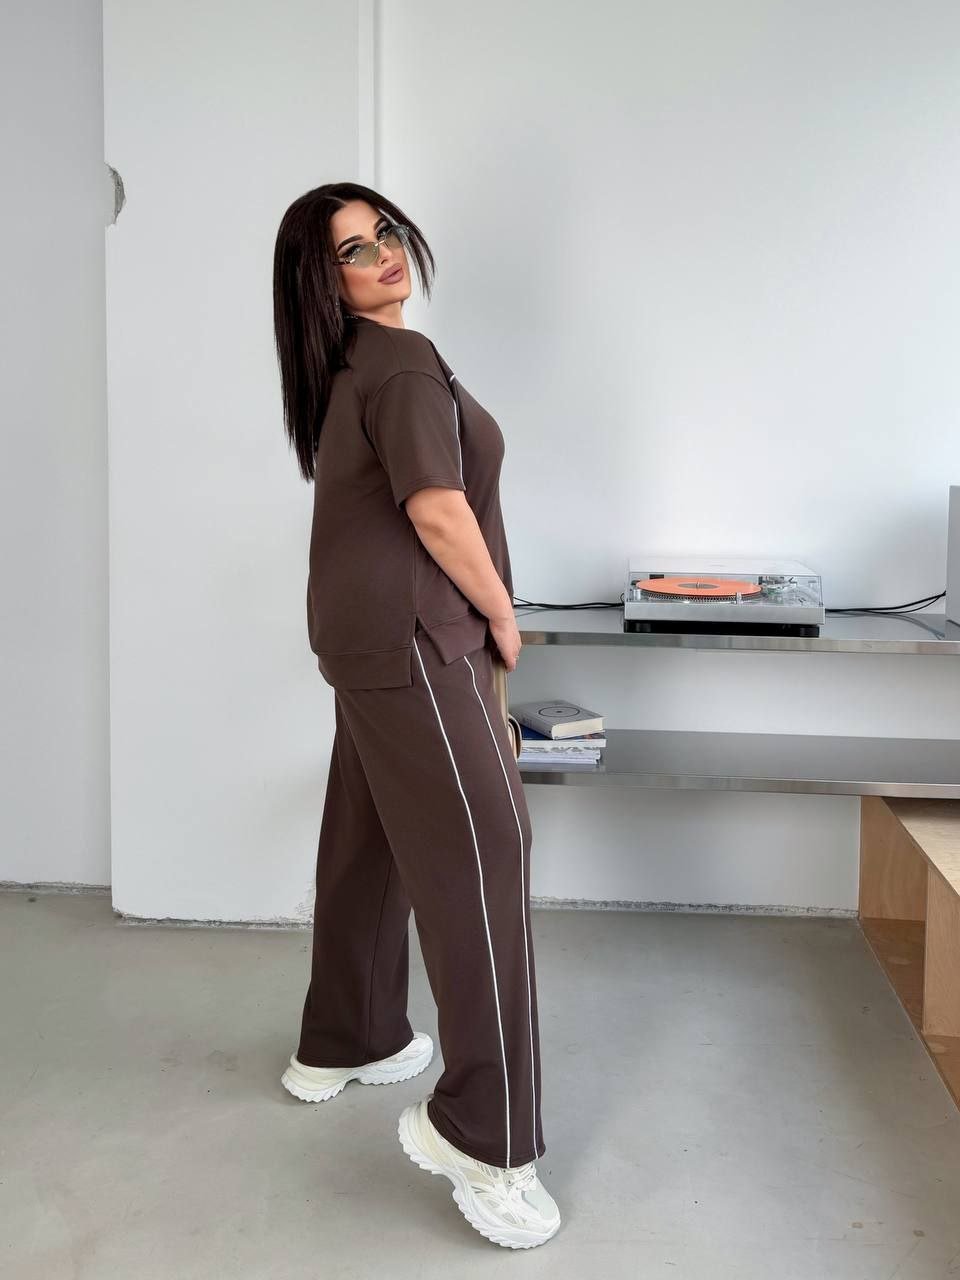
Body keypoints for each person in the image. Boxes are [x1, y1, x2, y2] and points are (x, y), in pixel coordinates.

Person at [271, 182, 560, 1249]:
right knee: (487, 853)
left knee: (370, 839)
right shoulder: (397, 362)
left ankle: (345, 1034)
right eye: (352, 249)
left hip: (363, 640)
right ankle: (484, 1136)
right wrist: (503, 616)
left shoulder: (355, 361)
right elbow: (437, 509)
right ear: (322, 281)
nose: (383, 254)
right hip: (417, 642)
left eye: (385, 232)